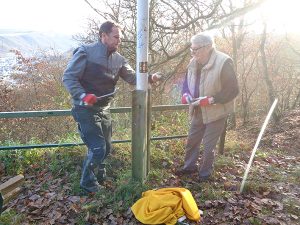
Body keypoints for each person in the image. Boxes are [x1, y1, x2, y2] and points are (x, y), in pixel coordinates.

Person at [63, 21, 160, 193]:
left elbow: (132, 78)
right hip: (84, 108)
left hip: (104, 108)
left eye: (120, 38)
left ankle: (99, 174)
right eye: (116, 37)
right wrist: (83, 95)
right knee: (98, 147)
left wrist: (150, 77)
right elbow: (69, 77)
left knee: (106, 147)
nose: (119, 41)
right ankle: (88, 183)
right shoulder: (86, 52)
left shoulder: (119, 59)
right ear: (103, 36)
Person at [176, 32, 239, 181]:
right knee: (192, 141)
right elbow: (185, 85)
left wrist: (211, 100)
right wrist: (185, 95)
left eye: (196, 49)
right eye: (192, 49)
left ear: (209, 47)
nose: (193, 52)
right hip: (197, 109)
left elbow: (233, 90)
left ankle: (205, 175)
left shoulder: (224, 62)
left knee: (208, 146)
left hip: (216, 111)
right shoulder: (192, 63)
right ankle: (189, 168)